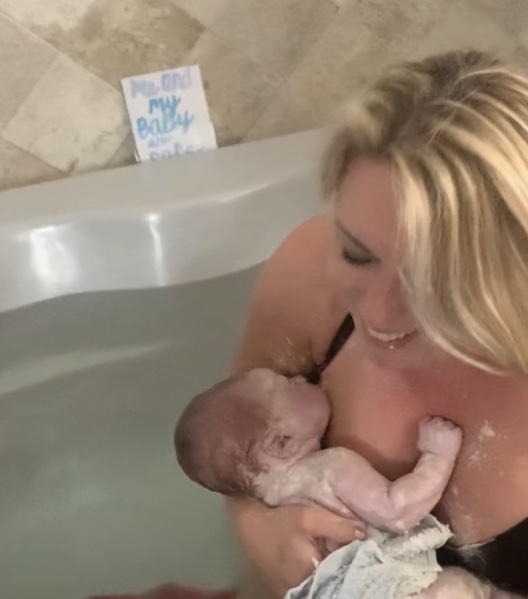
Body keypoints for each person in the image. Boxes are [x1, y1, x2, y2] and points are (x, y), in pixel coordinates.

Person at [225, 49, 528, 599]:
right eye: (356, 254)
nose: (380, 316)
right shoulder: (306, 275)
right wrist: (258, 527)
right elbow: (227, 447)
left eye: (436, 286)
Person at [175, 367, 463, 533]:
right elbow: (395, 512)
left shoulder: (273, 503)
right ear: (281, 442)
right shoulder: (328, 469)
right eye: (289, 384)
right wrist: (437, 456)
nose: (301, 378)